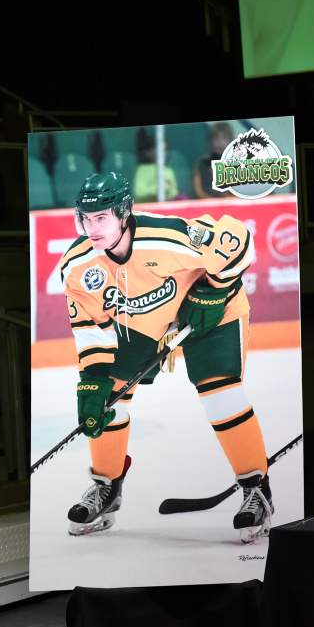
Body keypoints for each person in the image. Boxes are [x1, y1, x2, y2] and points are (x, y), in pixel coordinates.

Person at [58, 171, 273, 542]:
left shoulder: (167, 238)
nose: (91, 227)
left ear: (124, 213)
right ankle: (107, 486)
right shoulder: (77, 266)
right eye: (86, 218)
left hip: (212, 315)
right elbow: (92, 328)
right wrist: (92, 378)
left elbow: (237, 240)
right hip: (146, 323)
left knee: (220, 394)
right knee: (109, 394)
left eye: (102, 217)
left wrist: (213, 290)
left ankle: (256, 488)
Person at [193, 122, 235, 198]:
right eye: (216, 138)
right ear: (210, 141)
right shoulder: (203, 162)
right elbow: (199, 190)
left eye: (224, 138)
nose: (219, 142)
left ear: (231, 141)